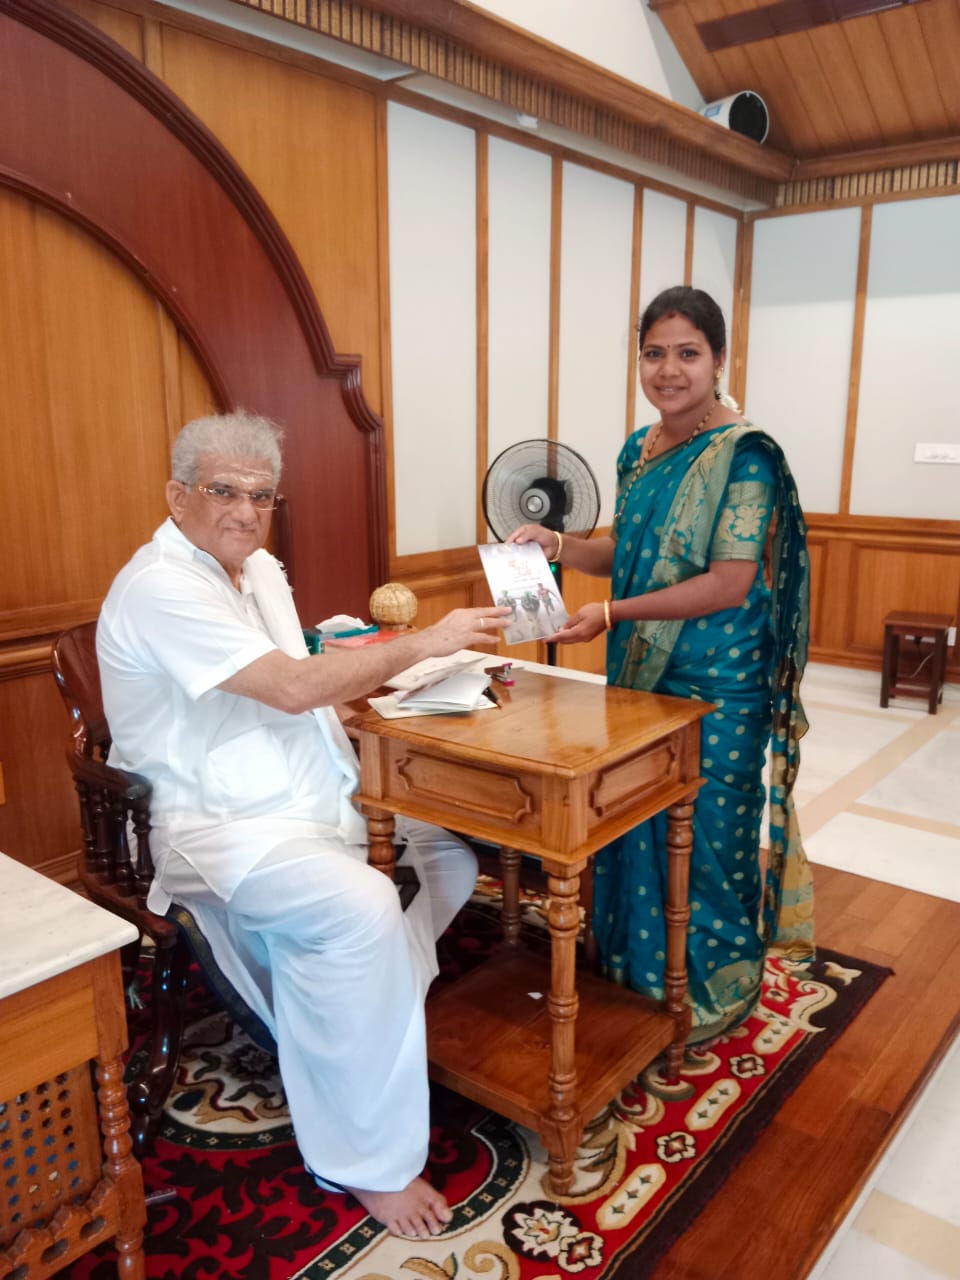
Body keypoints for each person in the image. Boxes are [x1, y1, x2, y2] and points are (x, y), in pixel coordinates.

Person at [97, 410, 510, 1238]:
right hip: (214, 825)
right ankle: (365, 1162)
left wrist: (402, 693)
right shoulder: (160, 586)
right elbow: (290, 687)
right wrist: (428, 641)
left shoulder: (259, 571)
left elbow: (304, 680)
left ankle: (345, 1022)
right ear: (177, 496)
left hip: (306, 794)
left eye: (261, 496)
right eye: (223, 491)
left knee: (448, 857)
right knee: (363, 908)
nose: (245, 511)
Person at [508, 286, 813, 1044]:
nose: (669, 370)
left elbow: (729, 582)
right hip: (643, 670)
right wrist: (559, 546)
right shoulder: (637, 450)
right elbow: (628, 553)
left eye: (687, 353)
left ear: (719, 359)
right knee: (633, 819)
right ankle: (636, 972)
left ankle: (712, 983)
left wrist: (610, 615)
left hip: (718, 682)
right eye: (654, 353)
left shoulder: (744, 455)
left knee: (707, 835)